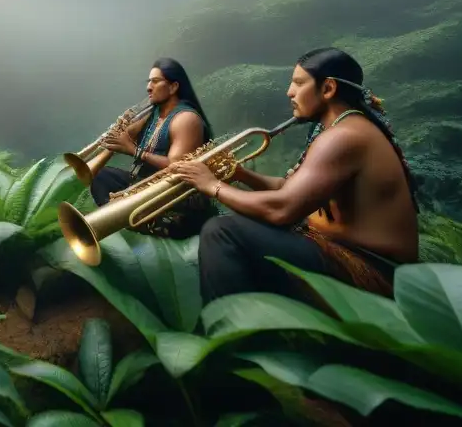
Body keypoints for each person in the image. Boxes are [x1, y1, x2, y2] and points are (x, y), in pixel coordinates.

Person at [172, 47, 420, 304]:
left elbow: (282, 209)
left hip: (372, 270)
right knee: (245, 225)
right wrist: (240, 174)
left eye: (299, 83)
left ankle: (238, 337)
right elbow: (290, 189)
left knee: (222, 232)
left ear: (328, 89)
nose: (290, 92)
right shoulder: (340, 128)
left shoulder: (343, 137)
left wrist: (210, 185)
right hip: (343, 252)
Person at [90, 57, 217, 239]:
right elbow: (126, 136)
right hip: (145, 183)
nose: (148, 87)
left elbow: (177, 166)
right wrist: (121, 129)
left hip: (174, 196)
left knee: (128, 200)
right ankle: (121, 217)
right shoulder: (154, 112)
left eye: (156, 81)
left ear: (173, 87)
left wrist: (134, 150)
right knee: (101, 177)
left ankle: (134, 221)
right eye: (149, 81)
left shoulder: (186, 119)